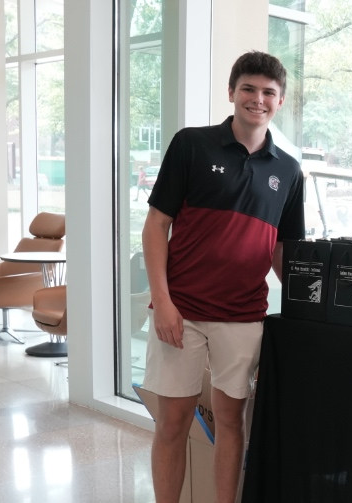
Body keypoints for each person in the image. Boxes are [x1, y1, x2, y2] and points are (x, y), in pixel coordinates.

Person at [141, 51, 304, 503]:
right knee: (172, 423)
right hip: (181, 313)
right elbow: (156, 225)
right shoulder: (191, 145)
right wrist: (162, 302)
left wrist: (307, 310)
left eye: (268, 92)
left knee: (232, 423)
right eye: (248, 89)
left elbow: (283, 250)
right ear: (231, 92)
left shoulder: (289, 171)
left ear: (280, 101)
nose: (258, 99)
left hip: (243, 316)